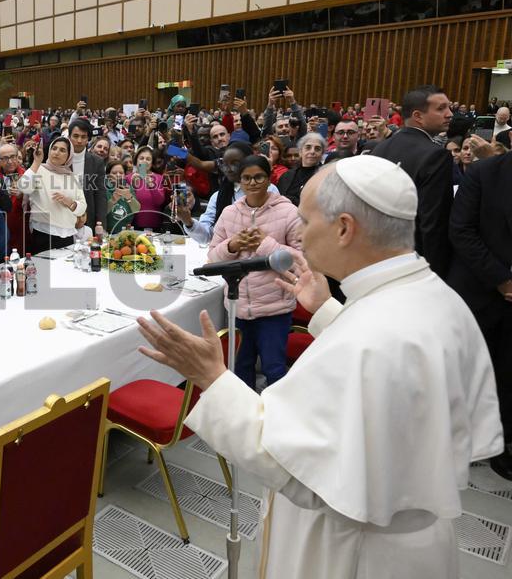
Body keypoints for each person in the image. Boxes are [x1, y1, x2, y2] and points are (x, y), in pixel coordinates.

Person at [137, 155, 502, 579]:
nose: (301, 237)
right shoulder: (430, 294)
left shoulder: (374, 335)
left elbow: (288, 459)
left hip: (352, 550)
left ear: (345, 228)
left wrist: (212, 379)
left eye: (307, 223)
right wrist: (327, 310)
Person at [207, 156, 302, 388]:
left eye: (258, 176)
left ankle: (276, 419)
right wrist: (233, 245)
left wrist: (265, 243)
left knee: (274, 368)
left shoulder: (289, 212)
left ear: (269, 178)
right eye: (246, 178)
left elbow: (301, 261)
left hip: (274, 308)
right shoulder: (230, 213)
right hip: (238, 307)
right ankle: (246, 418)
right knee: (241, 368)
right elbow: (211, 258)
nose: (253, 183)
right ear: (239, 182)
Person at [447, 151, 512, 479]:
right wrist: (502, 280)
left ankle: (503, 441)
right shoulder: (484, 173)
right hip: (481, 292)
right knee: (471, 371)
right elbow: (461, 230)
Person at [372, 85, 453, 277]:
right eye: (441, 109)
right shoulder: (436, 156)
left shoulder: (380, 149)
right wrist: (436, 274)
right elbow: (434, 222)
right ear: (418, 116)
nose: (449, 114)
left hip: (376, 256)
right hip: (413, 261)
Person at [19, 136, 87, 253]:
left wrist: (70, 203)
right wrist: (36, 162)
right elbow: (24, 187)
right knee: (44, 270)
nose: (57, 152)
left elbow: (82, 207)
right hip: (43, 232)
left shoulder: (73, 177)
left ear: (69, 156)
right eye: (54, 148)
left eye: (62, 150)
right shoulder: (39, 170)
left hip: (68, 234)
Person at [67, 119, 107, 231]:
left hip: (88, 217)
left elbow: (100, 195)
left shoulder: (97, 162)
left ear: (88, 139)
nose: (79, 140)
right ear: (69, 137)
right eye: (75, 136)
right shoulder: (61, 158)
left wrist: (101, 225)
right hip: (64, 216)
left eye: (83, 137)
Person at [277, 133, 326, 206]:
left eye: (317, 149)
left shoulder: (326, 176)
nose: (312, 151)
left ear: (322, 154)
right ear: (300, 152)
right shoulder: (286, 176)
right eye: (308, 147)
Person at [128, 146, 168, 231]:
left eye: (148, 159)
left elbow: (159, 201)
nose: (144, 161)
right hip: (132, 223)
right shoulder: (128, 178)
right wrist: (132, 185)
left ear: (152, 162)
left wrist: (151, 185)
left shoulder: (159, 178)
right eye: (141, 158)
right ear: (136, 161)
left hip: (153, 224)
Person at [105, 160, 140, 234]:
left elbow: (136, 210)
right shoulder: (104, 189)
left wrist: (129, 197)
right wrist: (113, 200)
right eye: (114, 173)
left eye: (121, 173)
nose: (118, 175)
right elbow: (102, 213)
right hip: (108, 232)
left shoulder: (129, 188)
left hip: (126, 232)